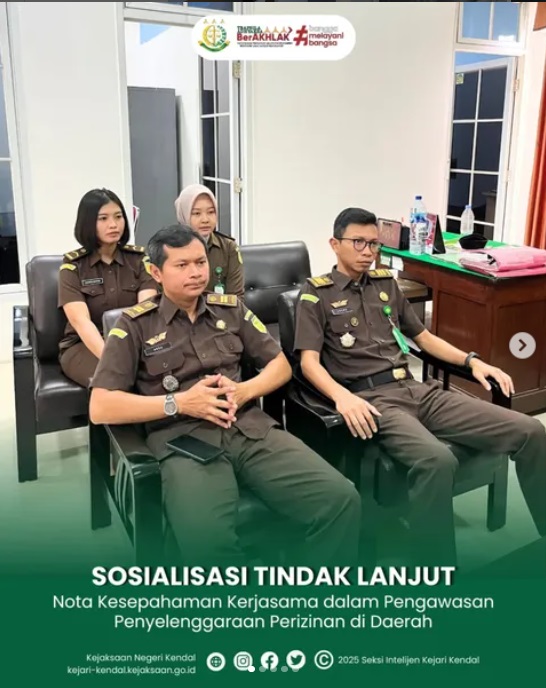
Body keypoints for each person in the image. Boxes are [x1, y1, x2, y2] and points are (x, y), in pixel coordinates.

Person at [89, 224, 360, 565]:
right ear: (156, 273)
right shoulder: (134, 326)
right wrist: (180, 402)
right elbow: (101, 406)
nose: (195, 272)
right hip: (183, 442)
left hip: (248, 428)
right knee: (209, 545)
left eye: (200, 262)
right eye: (182, 265)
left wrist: (246, 390)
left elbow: (280, 366)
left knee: (340, 499)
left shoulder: (230, 310)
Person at [294, 207, 546, 565]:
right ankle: (436, 571)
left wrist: (472, 361)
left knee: (531, 431)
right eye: (358, 242)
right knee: (436, 460)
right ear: (335, 244)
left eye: (374, 244)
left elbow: (424, 338)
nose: (368, 251)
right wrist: (342, 397)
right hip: (373, 400)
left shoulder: (386, 285)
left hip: (417, 390)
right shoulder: (315, 294)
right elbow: (308, 363)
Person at [58, 189, 158, 387]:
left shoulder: (139, 260)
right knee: (112, 378)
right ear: (88, 223)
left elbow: (146, 311)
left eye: (118, 217)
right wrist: (113, 357)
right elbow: (80, 322)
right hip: (85, 345)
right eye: (103, 218)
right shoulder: (73, 267)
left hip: (132, 340)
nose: (113, 224)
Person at [174, 183, 245, 297]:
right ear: (184, 215)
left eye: (211, 212)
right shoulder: (170, 249)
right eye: (197, 213)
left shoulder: (228, 248)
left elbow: (236, 297)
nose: (205, 220)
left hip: (220, 309)